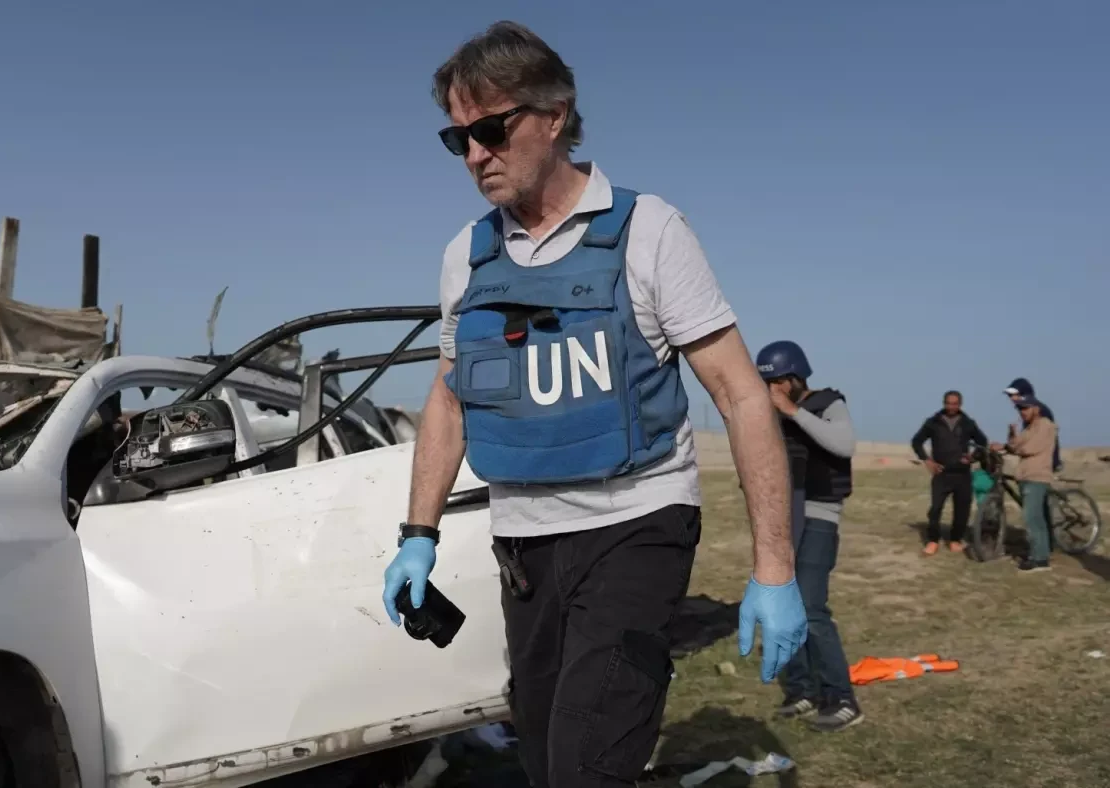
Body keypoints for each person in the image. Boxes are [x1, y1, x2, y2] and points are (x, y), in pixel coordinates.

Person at [380, 22, 806, 787]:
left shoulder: (649, 230)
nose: (475, 154)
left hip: (635, 528)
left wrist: (774, 569)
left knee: (585, 766)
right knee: (544, 763)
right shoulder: (465, 255)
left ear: (553, 114)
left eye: (489, 128)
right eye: (457, 139)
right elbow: (448, 399)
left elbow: (742, 395)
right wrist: (419, 534)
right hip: (524, 550)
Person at [756, 341, 864, 732]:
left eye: (778, 382)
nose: (773, 390)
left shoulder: (827, 402)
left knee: (812, 608)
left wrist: (792, 411)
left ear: (795, 377)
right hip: (784, 520)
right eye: (768, 383)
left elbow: (844, 444)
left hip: (819, 517)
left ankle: (842, 698)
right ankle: (802, 689)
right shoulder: (776, 412)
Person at [910, 391, 989, 555]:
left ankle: (955, 540)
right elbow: (916, 442)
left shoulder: (968, 423)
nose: (951, 407)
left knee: (962, 509)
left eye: (954, 404)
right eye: (948, 403)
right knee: (935, 509)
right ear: (943, 403)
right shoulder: (933, 422)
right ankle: (932, 541)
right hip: (941, 473)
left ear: (960, 404)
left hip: (962, 474)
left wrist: (973, 457)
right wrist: (927, 461)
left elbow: (983, 442)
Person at [992, 397, 1059, 572]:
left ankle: (1039, 560)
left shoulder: (1045, 425)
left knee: (1032, 518)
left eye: (1025, 408)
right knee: (1036, 517)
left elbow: (1029, 448)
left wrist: (1011, 447)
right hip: (1026, 476)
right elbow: (1016, 444)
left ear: (1036, 408)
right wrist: (1012, 434)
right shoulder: (1030, 427)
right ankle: (1040, 554)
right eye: (1019, 409)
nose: (1022, 412)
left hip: (1036, 476)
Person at [1004, 378, 1061, 473]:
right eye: (1009, 395)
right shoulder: (1027, 413)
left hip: (1043, 465)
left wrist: (1008, 447)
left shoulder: (1040, 412)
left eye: (1013, 395)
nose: (1011, 398)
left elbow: (1036, 443)